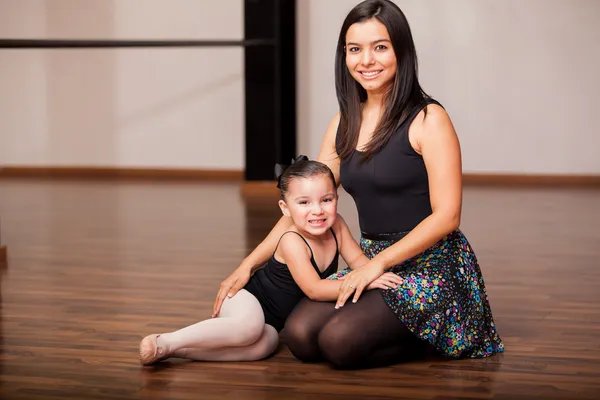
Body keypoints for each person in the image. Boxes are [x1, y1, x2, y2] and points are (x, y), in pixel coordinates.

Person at [214, 0, 504, 369]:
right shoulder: (342, 123)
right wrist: (248, 265)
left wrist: (375, 267)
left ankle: (436, 333)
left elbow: (448, 216)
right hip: (366, 258)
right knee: (301, 335)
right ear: (344, 56)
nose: (366, 60)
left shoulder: (430, 119)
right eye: (355, 49)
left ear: (402, 51)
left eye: (379, 47)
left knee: (338, 342)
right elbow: (306, 204)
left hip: (432, 266)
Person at [139, 158, 402, 365]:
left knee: (264, 344)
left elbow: (356, 258)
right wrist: (362, 283)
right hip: (247, 300)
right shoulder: (292, 241)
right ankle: (167, 341)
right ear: (286, 209)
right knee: (249, 327)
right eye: (304, 202)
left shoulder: (337, 226)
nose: (317, 210)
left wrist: (370, 272)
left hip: (271, 322)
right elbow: (314, 289)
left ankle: (182, 353)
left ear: (336, 198)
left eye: (326, 200)